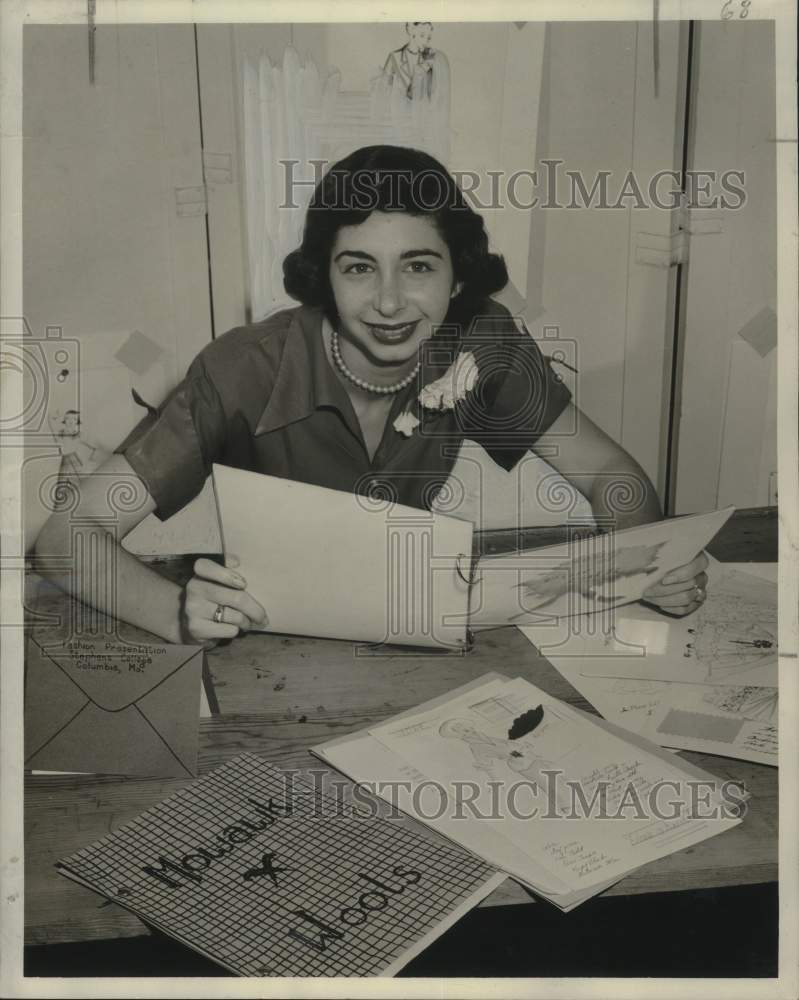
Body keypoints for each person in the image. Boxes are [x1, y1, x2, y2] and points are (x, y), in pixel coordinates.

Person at [34, 144, 708, 647]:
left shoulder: (485, 343)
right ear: (323, 278)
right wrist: (174, 613)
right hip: (271, 641)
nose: (388, 302)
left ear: (455, 278)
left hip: (418, 631)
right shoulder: (243, 368)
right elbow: (66, 538)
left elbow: (611, 476)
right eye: (359, 268)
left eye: (417, 266)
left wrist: (650, 559)